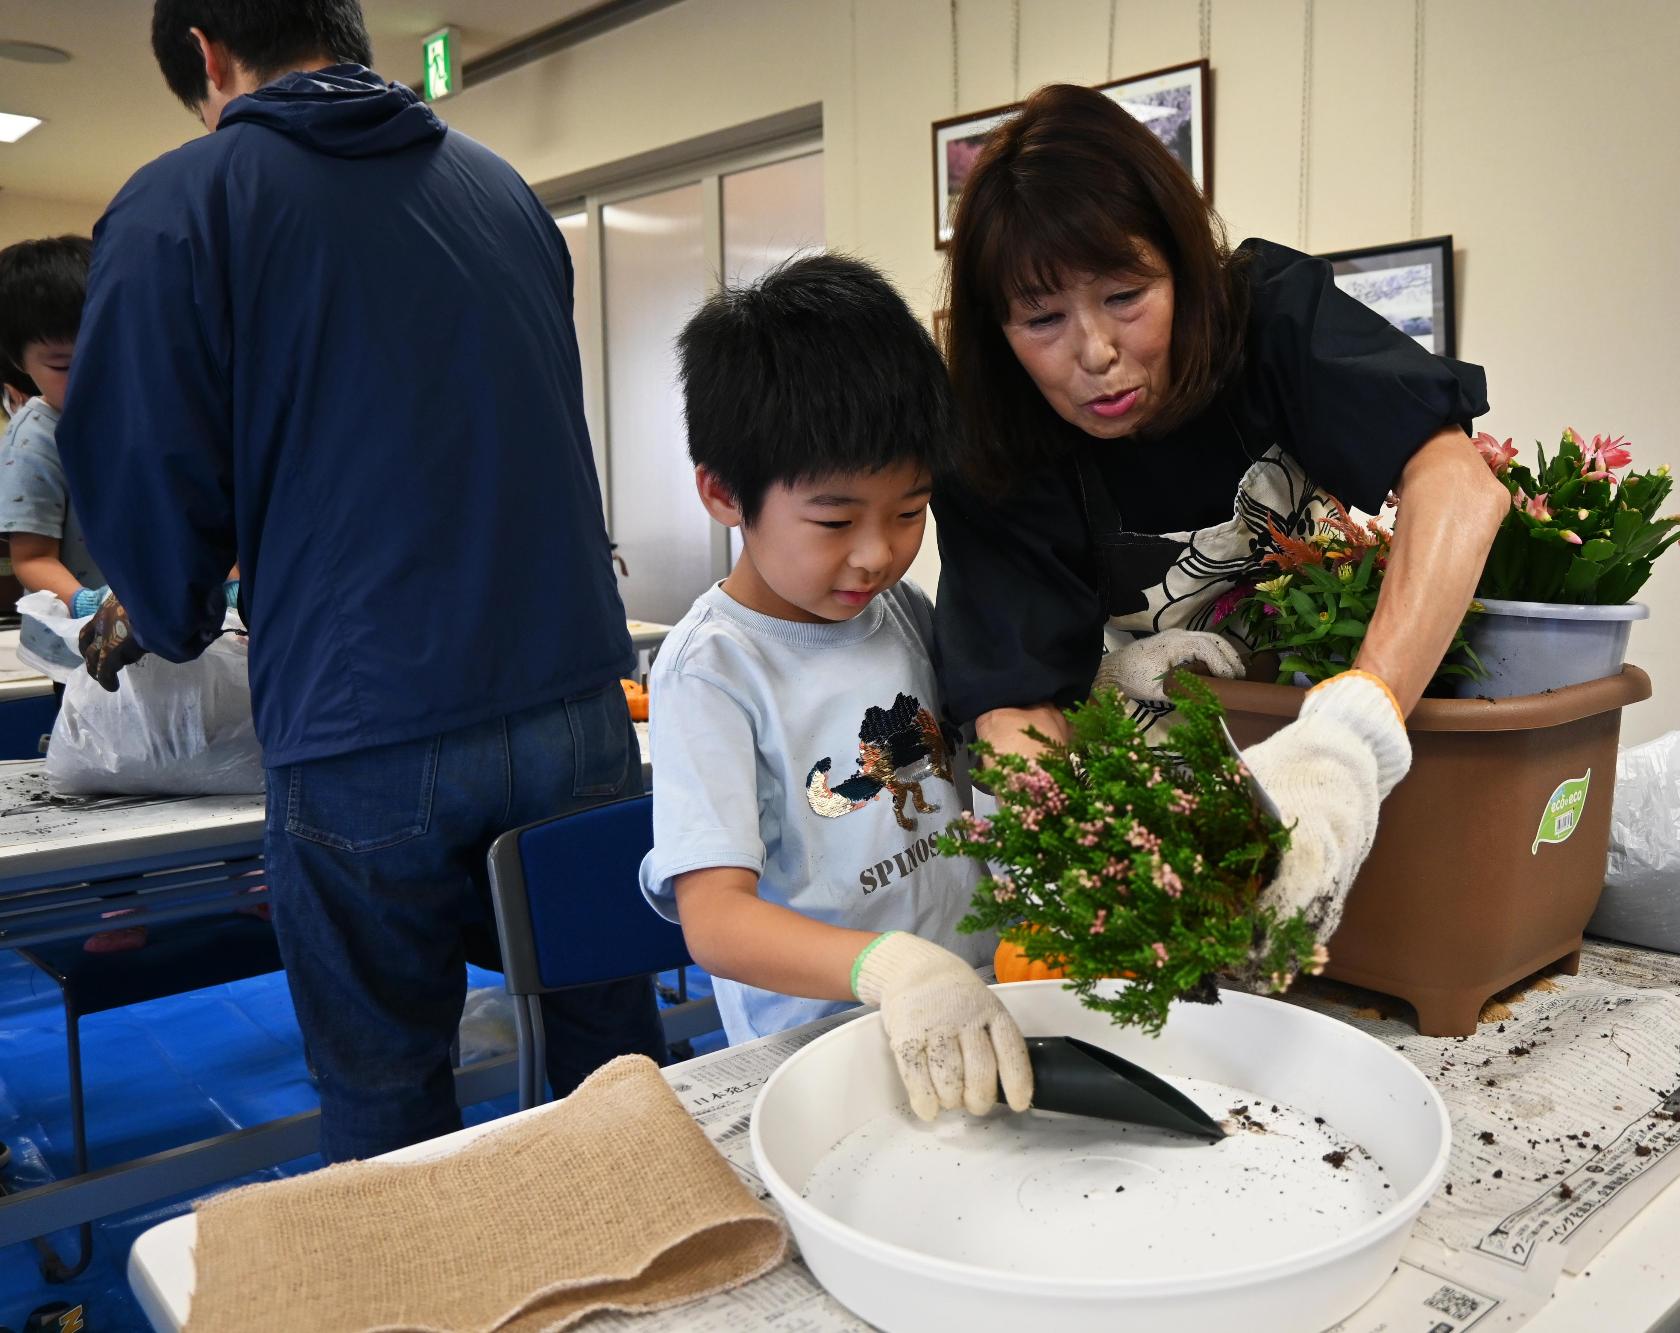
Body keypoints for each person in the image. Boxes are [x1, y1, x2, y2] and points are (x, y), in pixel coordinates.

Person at [57, 0, 666, 1161]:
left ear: (205, 56)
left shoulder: (185, 199)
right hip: (579, 702)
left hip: (366, 721)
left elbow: (142, 464)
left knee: (391, 1088)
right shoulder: (500, 188)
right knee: (613, 1068)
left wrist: (172, 605)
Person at [934, 84, 1510, 980]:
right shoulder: (996, 444)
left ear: (1183, 266)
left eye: (1127, 295)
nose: (1095, 354)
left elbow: (1458, 486)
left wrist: (1350, 739)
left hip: (1356, 753)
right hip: (1169, 792)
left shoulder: (1270, 317)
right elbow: (1016, 704)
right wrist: (1078, 856)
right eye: (1043, 319)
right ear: (997, 329)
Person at [639, 254, 1031, 1122]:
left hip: (975, 1005)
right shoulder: (714, 667)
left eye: (909, 511)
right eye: (834, 519)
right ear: (722, 492)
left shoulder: (905, 613)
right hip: (824, 1052)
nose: (875, 553)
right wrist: (887, 966)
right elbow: (716, 921)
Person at [0, 237, 110, 621]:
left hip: (153, 634)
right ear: (20, 362)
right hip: (77, 648)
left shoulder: (136, 416)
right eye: (62, 366)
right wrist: (90, 606)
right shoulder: (36, 438)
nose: (90, 376)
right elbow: (31, 558)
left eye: (104, 352)